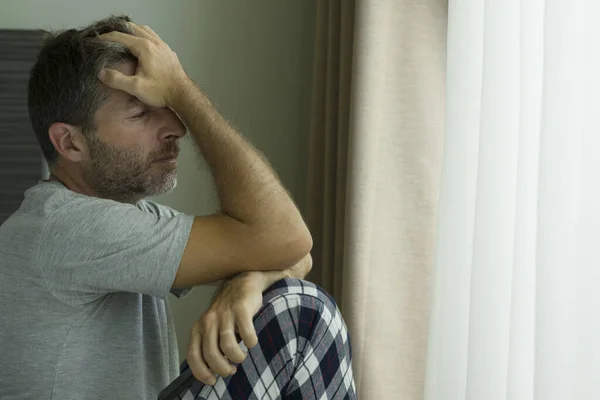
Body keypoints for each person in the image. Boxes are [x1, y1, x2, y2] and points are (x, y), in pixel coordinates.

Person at [0, 15, 356, 400]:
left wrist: (245, 284)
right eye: (140, 113)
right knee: (302, 314)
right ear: (70, 144)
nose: (176, 127)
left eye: (168, 104)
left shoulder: (130, 220)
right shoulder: (64, 228)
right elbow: (286, 238)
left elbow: (295, 251)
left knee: (294, 301)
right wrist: (184, 90)